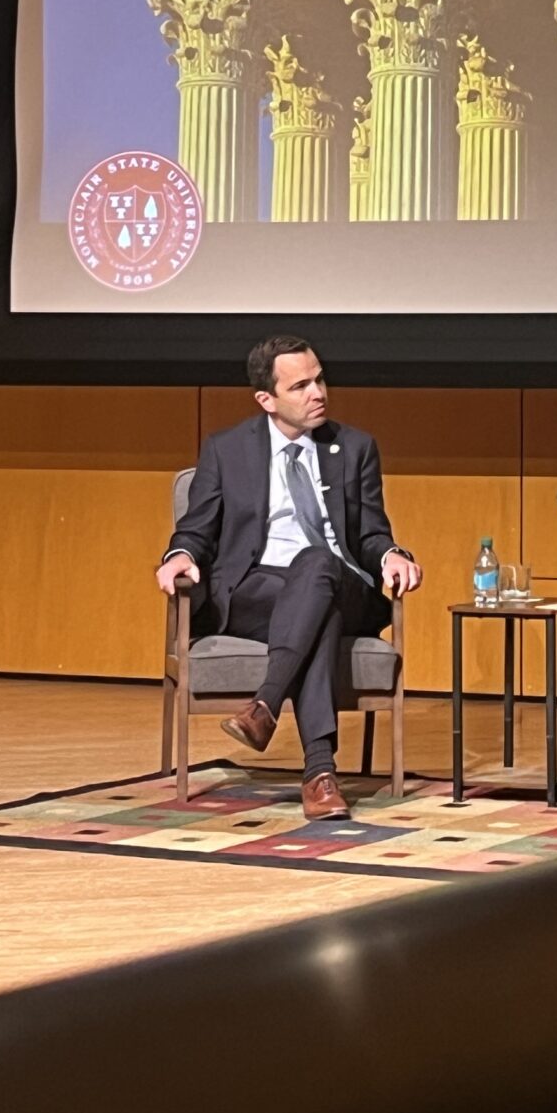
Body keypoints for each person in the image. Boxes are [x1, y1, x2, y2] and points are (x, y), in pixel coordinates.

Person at [155, 335, 422, 820]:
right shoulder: (227, 449)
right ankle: (319, 773)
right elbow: (196, 529)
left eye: (319, 379)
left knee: (317, 563)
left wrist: (391, 555)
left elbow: (371, 533)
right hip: (257, 591)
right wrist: (179, 556)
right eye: (300, 386)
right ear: (267, 399)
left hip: (342, 582)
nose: (317, 392)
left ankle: (265, 705)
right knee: (318, 615)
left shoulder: (355, 447)